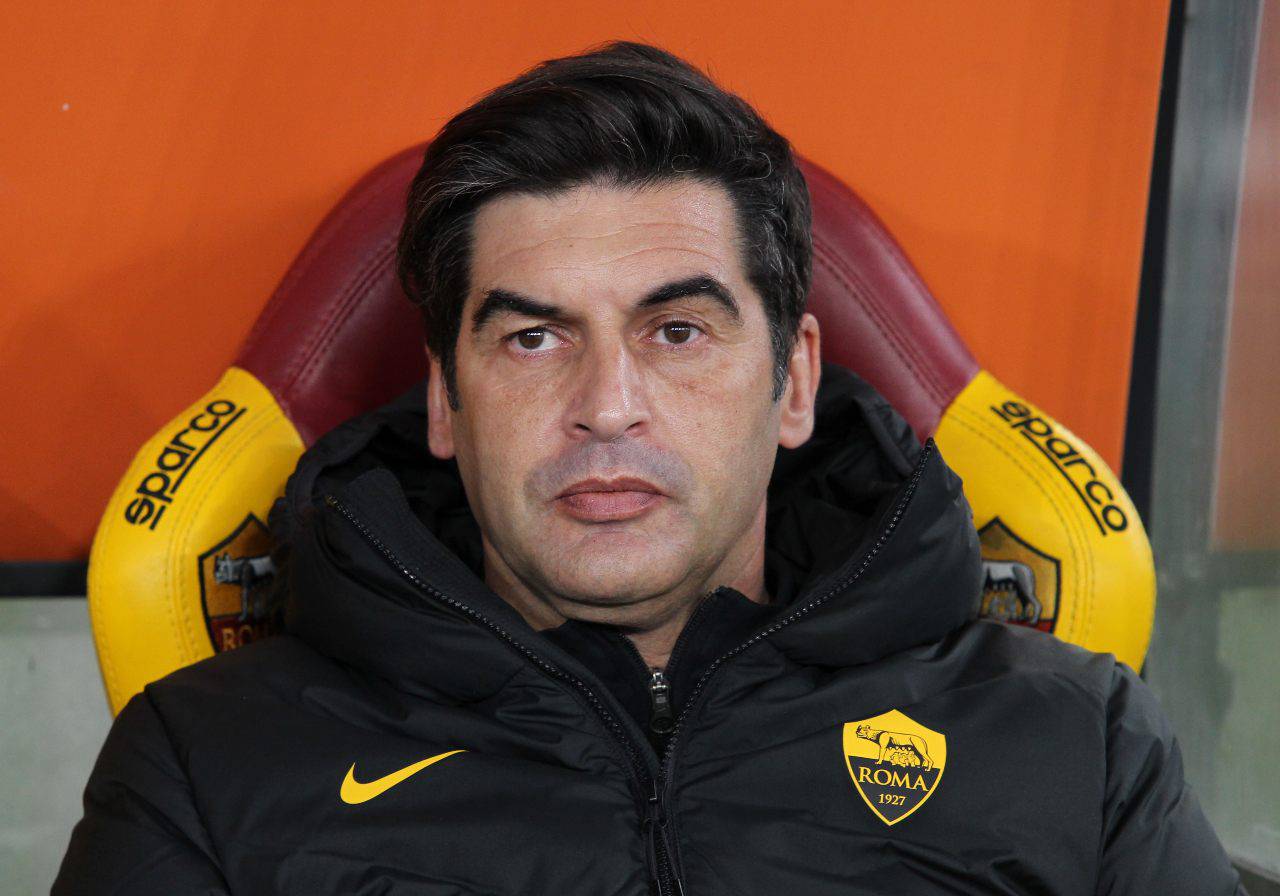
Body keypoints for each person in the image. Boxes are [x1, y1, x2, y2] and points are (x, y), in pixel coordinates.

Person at [55, 41, 1245, 895]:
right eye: (533, 337)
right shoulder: (205, 762)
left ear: (792, 381)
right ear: (445, 400)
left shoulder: (1080, 744)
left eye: (676, 330)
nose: (605, 404)